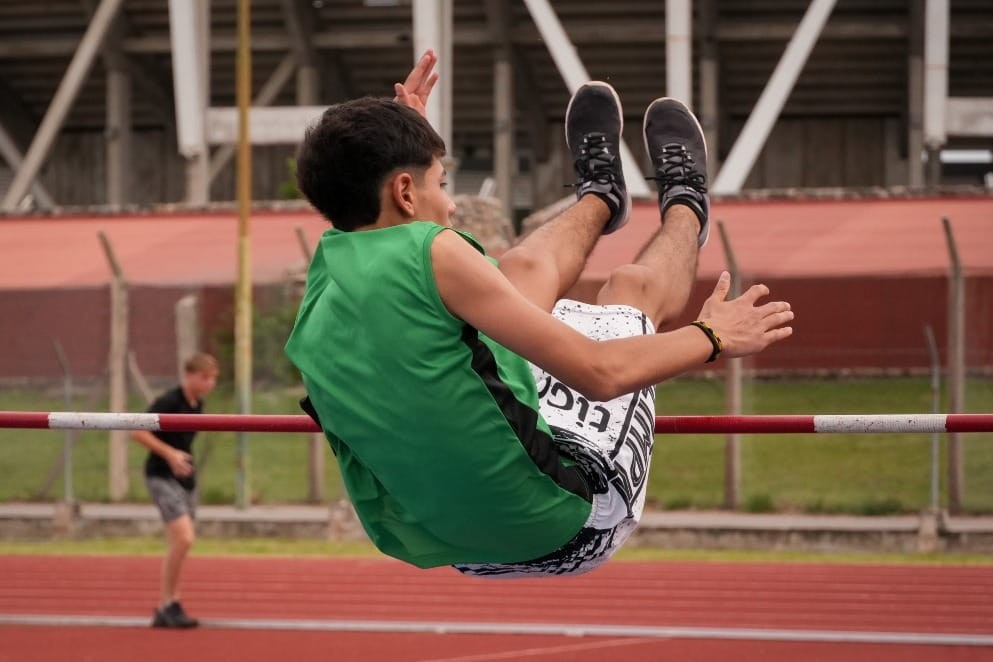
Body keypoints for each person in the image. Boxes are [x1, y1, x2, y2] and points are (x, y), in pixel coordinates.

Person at [285, 52, 793, 577]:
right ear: (406, 193)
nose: (452, 205)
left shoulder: (320, 295)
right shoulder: (434, 250)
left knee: (521, 270)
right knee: (628, 290)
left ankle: (600, 194)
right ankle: (687, 205)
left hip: (450, 543)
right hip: (568, 520)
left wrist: (393, 135)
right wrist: (712, 335)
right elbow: (602, 374)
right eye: (441, 184)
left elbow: (376, 211)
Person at [130, 352, 219, 625]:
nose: (209, 383)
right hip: (161, 476)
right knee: (184, 538)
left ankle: (169, 604)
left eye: (213, 379)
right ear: (189, 375)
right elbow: (138, 430)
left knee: (179, 543)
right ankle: (168, 603)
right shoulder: (170, 400)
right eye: (204, 377)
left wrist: (183, 462)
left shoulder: (197, 404)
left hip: (184, 479)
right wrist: (170, 454)